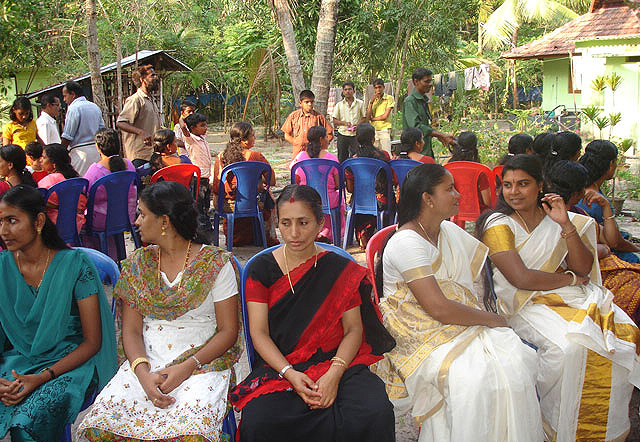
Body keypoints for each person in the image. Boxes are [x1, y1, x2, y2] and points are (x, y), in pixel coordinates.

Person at [373, 163, 543, 442]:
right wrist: (493, 319)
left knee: (515, 361)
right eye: (449, 189)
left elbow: (461, 290)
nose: (458, 195)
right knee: (473, 378)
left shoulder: (447, 231)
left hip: (453, 323)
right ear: (428, 199)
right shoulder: (407, 242)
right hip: (419, 333)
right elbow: (438, 308)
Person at [477, 154, 640, 442]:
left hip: (568, 296)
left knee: (622, 336)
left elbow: (582, 267)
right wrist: (569, 279)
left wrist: (565, 224)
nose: (514, 192)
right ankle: (555, 427)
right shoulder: (498, 223)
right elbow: (521, 278)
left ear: (540, 185)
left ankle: (605, 431)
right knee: (569, 349)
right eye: (508, 185)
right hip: (523, 303)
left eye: (523, 184)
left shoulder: (558, 218)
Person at [229, 184, 396, 442]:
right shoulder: (260, 269)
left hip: (340, 363)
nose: (294, 233)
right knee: (261, 421)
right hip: (281, 367)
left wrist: (334, 374)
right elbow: (259, 333)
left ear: (320, 223)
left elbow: (353, 329)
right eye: (285, 223)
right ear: (277, 224)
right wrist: (290, 373)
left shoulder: (340, 269)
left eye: (303, 223)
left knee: (374, 411)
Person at [79, 181, 242, 441]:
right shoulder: (138, 265)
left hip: (203, 362)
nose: (136, 221)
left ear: (164, 221)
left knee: (189, 433)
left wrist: (187, 368)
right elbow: (132, 331)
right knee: (105, 424)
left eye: (143, 214)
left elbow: (228, 331)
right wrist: (142, 374)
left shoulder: (215, 264)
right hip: (146, 361)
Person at [0, 185, 116, 442]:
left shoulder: (75, 266)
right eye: (0, 222)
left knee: (27, 424)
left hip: (71, 364)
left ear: (38, 222)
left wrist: (42, 377)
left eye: (12, 221)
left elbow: (92, 342)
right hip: (18, 361)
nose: (3, 231)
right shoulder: (3, 267)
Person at [548, 160, 640, 324]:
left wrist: (605, 206)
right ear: (578, 193)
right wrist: (602, 249)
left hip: (601, 267)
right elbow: (567, 257)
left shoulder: (579, 213)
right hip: (583, 276)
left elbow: (611, 240)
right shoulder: (551, 216)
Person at [211, 121, 279, 247]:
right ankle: (265, 238)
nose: (255, 138)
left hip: (226, 205)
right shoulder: (256, 156)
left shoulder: (221, 157)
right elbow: (272, 181)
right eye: (253, 135)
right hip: (252, 204)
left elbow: (217, 186)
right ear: (245, 140)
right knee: (268, 194)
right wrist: (256, 179)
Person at [576, 140, 640, 264]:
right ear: (611, 164)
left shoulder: (583, 187)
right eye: (616, 161)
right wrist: (635, 248)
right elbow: (614, 243)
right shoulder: (595, 200)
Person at [82, 128, 137, 257]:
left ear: (98, 147)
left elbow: (85, 193)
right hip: (126, 217)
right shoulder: (129, 165)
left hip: (101, 222)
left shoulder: (95, 170)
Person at [290, 125, 344, 243]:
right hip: (328, 200)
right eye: (326, 137)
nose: (328, 140)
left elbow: (295, 181)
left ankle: (313, 233)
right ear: (321, 139)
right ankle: (328, 233)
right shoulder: (332, 158)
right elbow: (338, 185)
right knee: (341, 200)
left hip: (306, 200)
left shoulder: (300, 157)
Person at [344, 123, 392, 249]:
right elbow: (390, 179)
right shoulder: (384, 156)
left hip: (359, 202)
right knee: (388, 203)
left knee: (359, 205)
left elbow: (350, 189)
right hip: (380, 201)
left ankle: (363, 233)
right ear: (373, 139)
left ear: (357, 139)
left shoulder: (352, 161)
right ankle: (379, 235)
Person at [178, 112, 214, 243]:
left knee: (205, 207)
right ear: (192, 128)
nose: (205, 128)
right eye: (202, 125)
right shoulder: (190, 139)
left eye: (205, 125)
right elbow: (183, 127)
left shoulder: (202, 138)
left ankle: (206, 234)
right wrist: (183, 117)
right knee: (198, 209)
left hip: (205, 178)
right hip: (196, 179)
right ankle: (203, 237)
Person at [402, 68, 454, 158]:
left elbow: (425, 126)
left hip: (426, 150)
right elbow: (416, 127)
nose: (430, 84)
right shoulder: (410, 101)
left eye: (431, 81)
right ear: (416, 81)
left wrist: (438, 135)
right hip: (416, 154)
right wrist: (440, 135)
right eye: (427, 81)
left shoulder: (424, 101)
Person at [116, 65, 162, 166]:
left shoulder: (151, 100)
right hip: (139, 156)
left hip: (151, 154)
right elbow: (121, 122)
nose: (156, 78)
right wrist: (141, 132)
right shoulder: (135, 100)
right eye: (152, 75)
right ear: (142, 79)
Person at [38, 143, 87, 233]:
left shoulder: (49, 180)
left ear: (54, 164)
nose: (40, 160)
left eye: (44, 158)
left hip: (56, 228)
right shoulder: (75, 179)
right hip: (76, 225)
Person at [61, 80, 105, 175]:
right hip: (96, 151)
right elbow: (102, 130)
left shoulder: (74, 108)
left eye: (65, 96)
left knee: (81, 181)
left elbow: (68, 136)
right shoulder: (94, 107)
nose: (64, 99)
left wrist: (61, 152)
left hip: (80, 154)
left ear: (72, 94)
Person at [282, 89, 334, 158]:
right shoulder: (293, 116)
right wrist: (296, 142)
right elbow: (286, 135)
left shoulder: (319, 117)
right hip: (298, 153)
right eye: (306, 102)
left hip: (314, 154)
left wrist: (321, 146)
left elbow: (330, 134)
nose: (310, 104)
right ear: (300, 103)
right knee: (297, 165)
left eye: (312, 102)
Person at [447, 131, 492, 211]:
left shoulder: (449, 168)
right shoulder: (479, 172)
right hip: (479, 214)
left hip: (455, 213)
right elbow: (487, 202)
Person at [331, 81, 366, 163]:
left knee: (356, 156)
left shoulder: (360, 103)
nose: (347, 91)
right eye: (345, 89)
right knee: (342, 157)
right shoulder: (339, 105)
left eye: (350, 89)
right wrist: (344, 123)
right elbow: (334, 120)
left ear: (354, 91)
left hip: (356, 135)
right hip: (343, 134)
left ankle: (354, 171)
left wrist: (358, 125)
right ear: (343, 91)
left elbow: (364, 118)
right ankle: (343, 171)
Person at [367, 78, 394, 154]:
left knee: (387, 152)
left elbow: (385, 116)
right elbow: (368, 117)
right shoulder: (373, 100)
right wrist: (371, 102)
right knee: (375, 154)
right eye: (376, 88)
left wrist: (373, 119)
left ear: (383, 87)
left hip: (384, 129)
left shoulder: (389, 98)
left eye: (380, 87)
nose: (378, 90)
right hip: (374, 130)